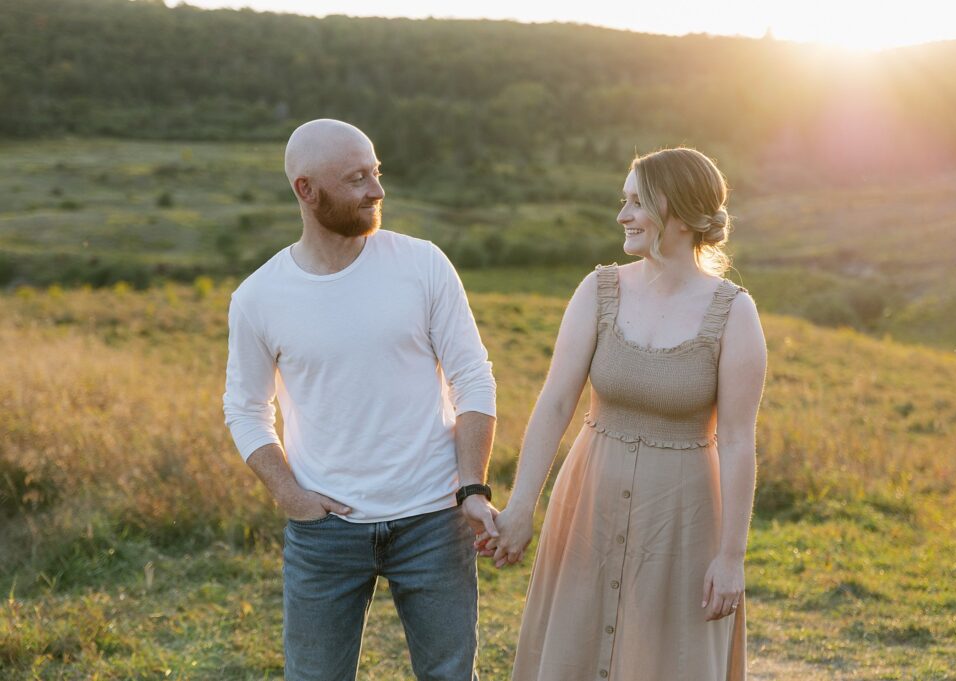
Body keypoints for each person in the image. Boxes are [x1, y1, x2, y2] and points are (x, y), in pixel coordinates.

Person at [223, 119, 498, 681]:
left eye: (376, 172)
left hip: (433, 520)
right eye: (356, 179)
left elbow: (472, 377)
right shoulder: (258, 297)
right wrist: (293, 497)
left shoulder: (422, 264)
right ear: (306, 190)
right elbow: (246, 410)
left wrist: (471, 485)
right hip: (325, 535)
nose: (376, 190)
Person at [485, 147, 767, 680]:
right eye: (624, 201)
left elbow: (736, 440)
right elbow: (556, 403)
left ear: (678, 214)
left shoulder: (735, 313)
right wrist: (522, 506)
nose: (622, 216)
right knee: (574, 649)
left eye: (636, 202)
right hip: (588, 505)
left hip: (683, 521)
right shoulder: (599, 289)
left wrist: (731, 557)